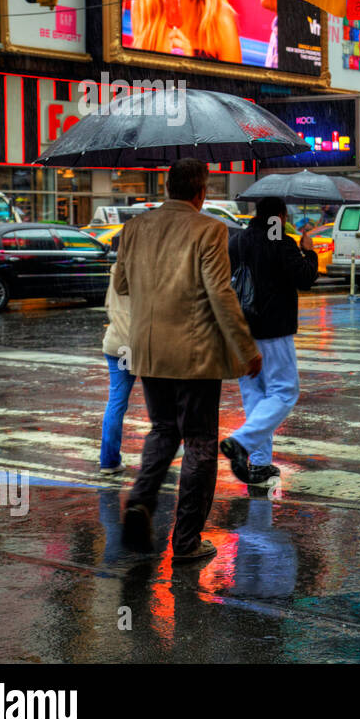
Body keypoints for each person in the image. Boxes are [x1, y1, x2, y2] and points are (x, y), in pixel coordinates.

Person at [115, 159, 262, 563]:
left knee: (163, 429)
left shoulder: (134, 228)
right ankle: (186, 540)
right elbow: (220, 293)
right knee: (199, 441)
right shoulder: (209, 229)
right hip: (195, 353)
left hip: (149, 350)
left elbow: (122, 284)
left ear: (166, 186)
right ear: (201, 192)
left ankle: (141, 502)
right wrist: (246, 347)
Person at [222, 196, 318, 486]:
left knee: (255, 396)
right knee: (284, 391)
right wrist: (308, 252)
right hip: (274, 330)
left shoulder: (237, 241)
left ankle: (260, 465)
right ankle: (241, 442)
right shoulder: (282, 241)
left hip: (243, 329)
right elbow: (305, 278)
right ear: (278, 216)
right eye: (284, 216)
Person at [99, 256, 135, 475]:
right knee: (162, 402)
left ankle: (109, 461)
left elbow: (107, 304)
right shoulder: (149, 269)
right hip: (140, 345)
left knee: (117, 402)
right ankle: (166, 450)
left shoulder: (116, 268)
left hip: (115, 344)